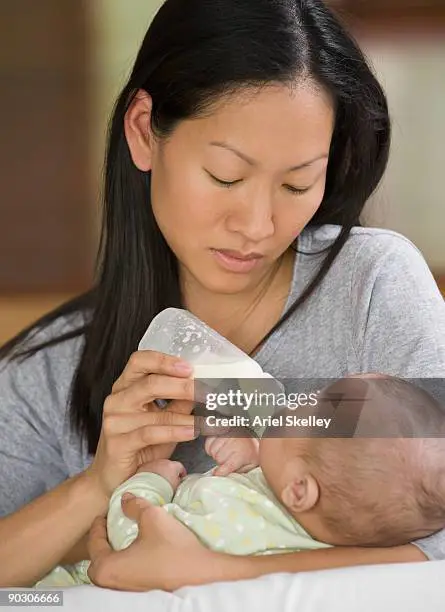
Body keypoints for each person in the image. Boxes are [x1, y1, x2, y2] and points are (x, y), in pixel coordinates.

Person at [0, 0, 444, 591]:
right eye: (226, 177)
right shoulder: (48, 374)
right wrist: (96, 486)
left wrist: (215, 573)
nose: (258, 223)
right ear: (143, 133)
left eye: (297, 183)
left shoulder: (371, 287)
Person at [34, 375, 445, 588]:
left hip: (78, 583)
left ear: (299, 490)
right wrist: (257, 456)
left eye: (310, 408)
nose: (296, 400)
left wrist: (149, 483)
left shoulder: (230, 517)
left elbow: (135, 547)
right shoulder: (330, 530)